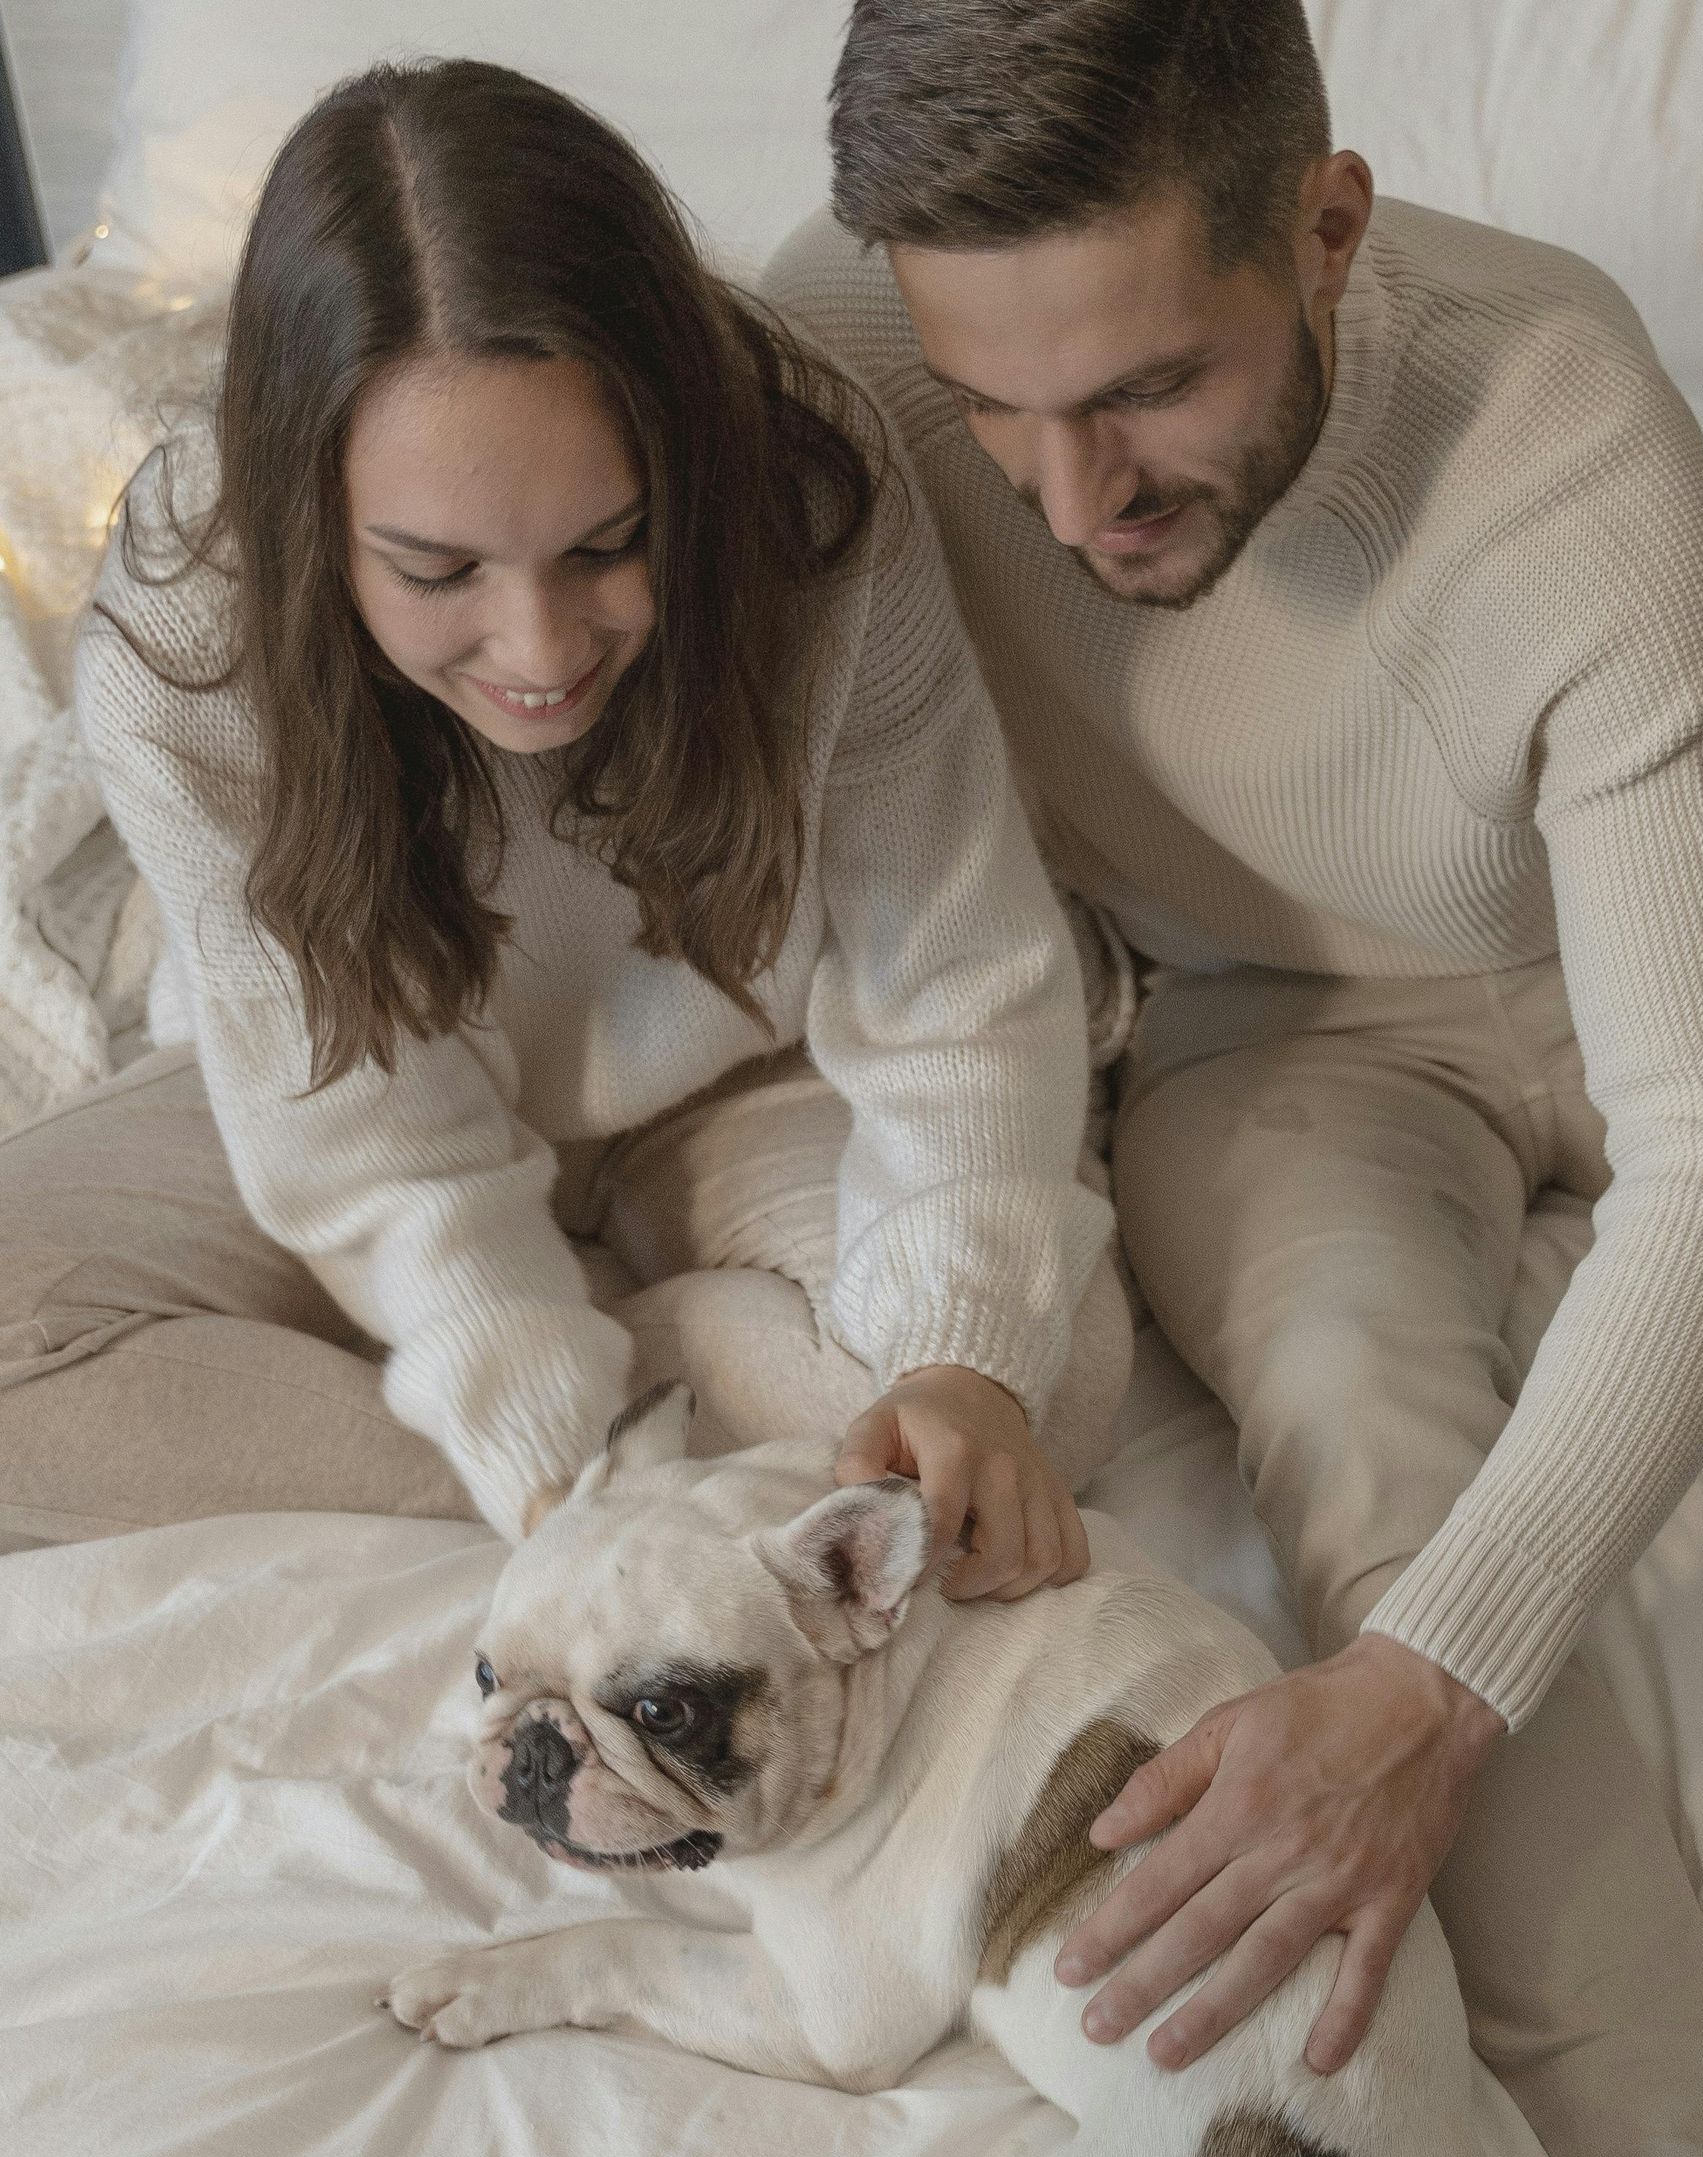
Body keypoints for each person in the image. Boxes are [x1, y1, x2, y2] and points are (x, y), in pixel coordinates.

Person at [769, 0, 1703, 2157]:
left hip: (1694, 952)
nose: (1072, 500)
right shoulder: (829, 351)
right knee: (1381, 1456)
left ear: (1327, 225)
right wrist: (1420, 1655)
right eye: (995, 412)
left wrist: (1437, 1698)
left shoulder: (1550, 410)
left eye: (1152, 385)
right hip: (1295, 1047)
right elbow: (469, 474)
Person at [0, 55, 1130, 1594]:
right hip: (354, 1109)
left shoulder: (809, 491)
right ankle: (625, 1432)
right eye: (439, 572)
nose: (540, 653)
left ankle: (612, 1378)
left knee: (1028, 1394)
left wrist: (955, 1365)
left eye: (610, 544)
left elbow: (957, 975)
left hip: (745, 1084)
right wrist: (550, 1447)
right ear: (310, 511)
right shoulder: (192, 627)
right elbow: (364, 1142)